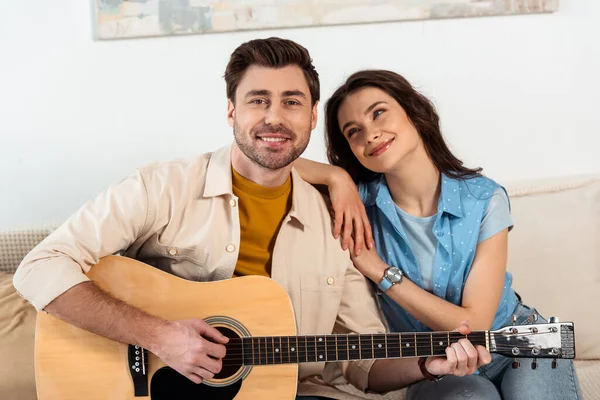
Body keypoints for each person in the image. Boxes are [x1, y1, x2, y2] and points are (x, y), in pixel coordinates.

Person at [13, 38, 490, 400]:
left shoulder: (335, 224)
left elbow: (363, 364)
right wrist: (159, 336)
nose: (274, 117)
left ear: (310, 116)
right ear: (231, 111)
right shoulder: (161, 188)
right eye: (258, 100)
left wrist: (431, 365)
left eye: (291, 102)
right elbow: (39, 267)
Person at [295, 69, 583, 400]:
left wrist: (380, 272)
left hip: (520, 342)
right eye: (354, 131)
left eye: (378, 113)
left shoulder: (484, 199)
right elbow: (261, 160)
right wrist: (335, 177)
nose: (370, 134)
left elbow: (475, 325)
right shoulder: (355, 207)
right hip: (438, 364)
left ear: (413, 112)